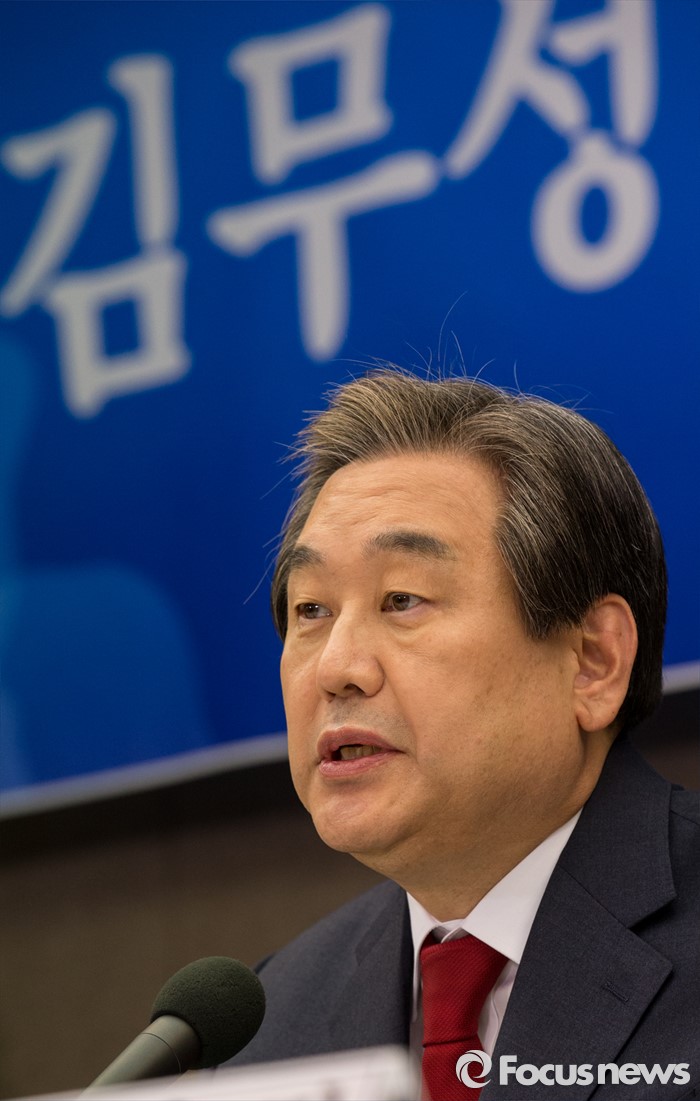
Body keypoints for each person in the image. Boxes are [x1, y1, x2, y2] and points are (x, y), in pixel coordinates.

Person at [226, 368, 699, 1099]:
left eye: (402, 599)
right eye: (311, 609)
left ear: (593, 662)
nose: (337, 668)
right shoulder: (271, 1023)